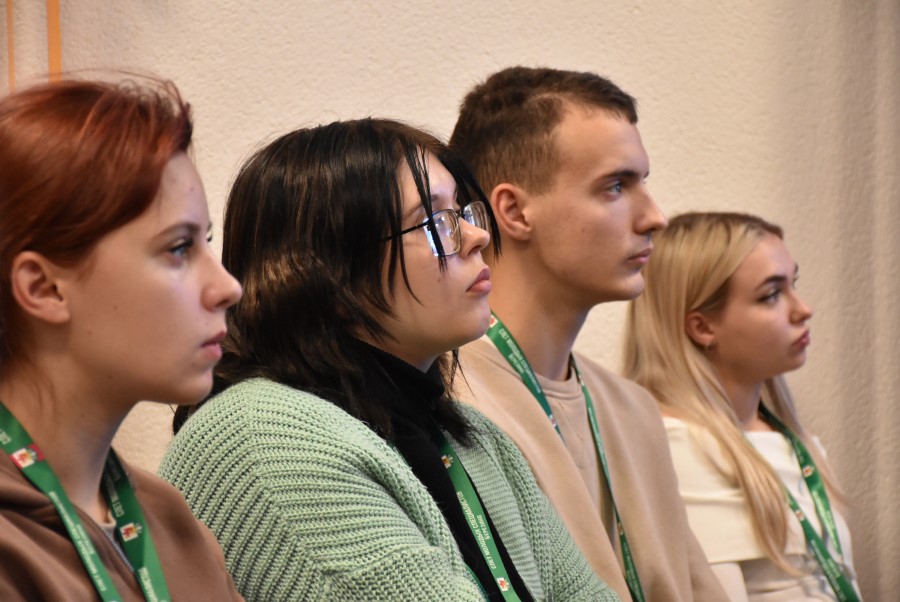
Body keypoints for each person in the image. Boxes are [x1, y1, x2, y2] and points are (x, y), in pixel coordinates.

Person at [159, 118, 618, 601]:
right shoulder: (264, 437)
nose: (476, 236)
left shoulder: (475, 439)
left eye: (464, 212)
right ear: (331, 276)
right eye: (436, 222)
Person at [449, 66, 727, 601]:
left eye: (643, 182)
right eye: (616, 186)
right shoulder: (448, 399)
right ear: (514, 211)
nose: (656, 217)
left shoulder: (633, 410)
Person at [0, 78, 243, 600]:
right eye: (178, 248)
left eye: (206, 241)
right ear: (44, 288)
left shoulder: (174, 523)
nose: (228, 287)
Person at [623, 212, 859, 601]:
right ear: (702, 327)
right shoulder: (679, 446)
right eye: (771, 295)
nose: (803, 309)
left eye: (794, 284)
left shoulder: (788, 436)